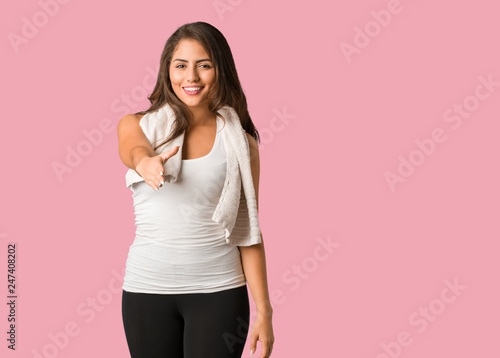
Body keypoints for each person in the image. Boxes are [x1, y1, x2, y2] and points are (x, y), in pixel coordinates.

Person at [117, 21, 275, 358]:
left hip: (219, 292)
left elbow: (248, 231)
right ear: (167, 71)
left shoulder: (241, 143)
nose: (191, 77)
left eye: (204, 65)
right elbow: (132, 148)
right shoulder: (138, 125)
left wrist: (265, 310)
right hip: (146, 290)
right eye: (181, 65)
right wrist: (144, 162)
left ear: (220, 70)